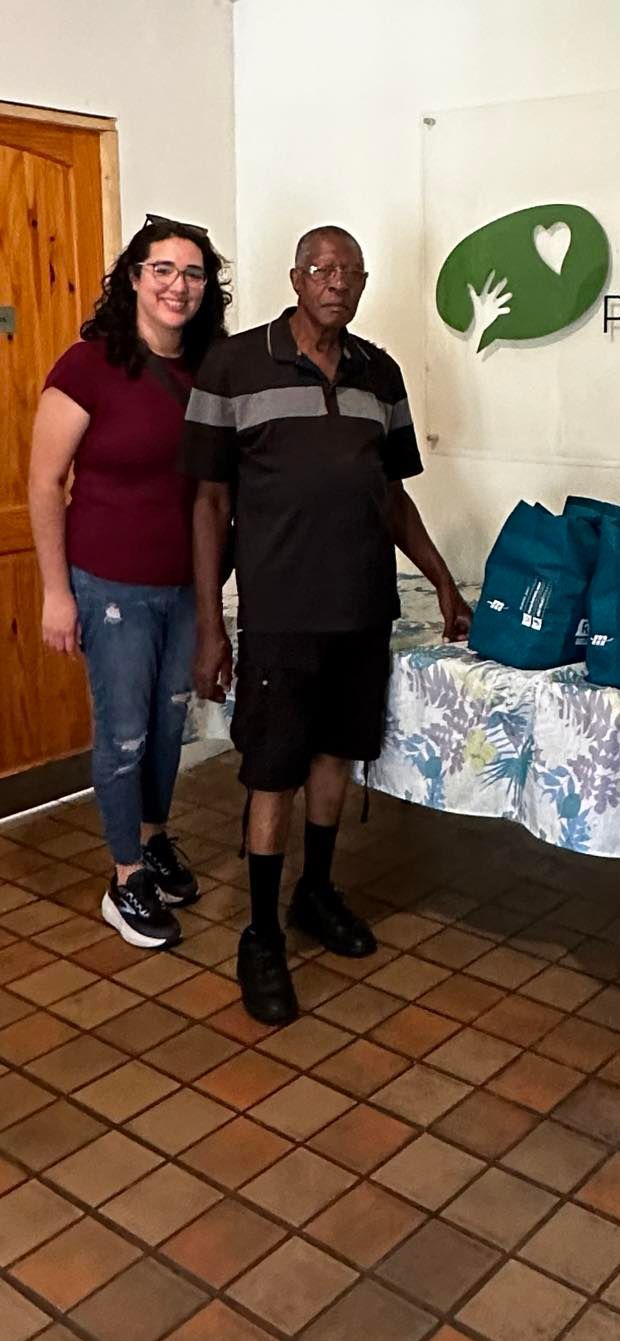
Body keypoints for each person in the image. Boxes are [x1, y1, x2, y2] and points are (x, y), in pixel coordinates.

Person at [186, 224, 471, 1027]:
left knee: (335, 756)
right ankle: (261, 933)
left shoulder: (380, 372)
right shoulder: (234, 364)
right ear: (296, 278)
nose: (336, 281)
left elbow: (391, 496)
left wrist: (443, 582)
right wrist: (210, 624)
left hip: (361, 610)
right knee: (272, 772)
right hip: (279, 616)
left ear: (363, 283)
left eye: (350, 271)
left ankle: (315, 891)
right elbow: (208, 501)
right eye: (320, 268)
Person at [28, 215, 231, 950]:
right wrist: (56, 592)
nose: (179, 286)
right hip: (108, 585)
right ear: (135, 279)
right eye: (163, 270)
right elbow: (44, 483)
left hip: (184, 587)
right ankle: (124, 878)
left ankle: (151, 838)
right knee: (123, 733)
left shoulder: (210, 369)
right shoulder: (89, 366)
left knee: (169, 727)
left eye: (194, 273)